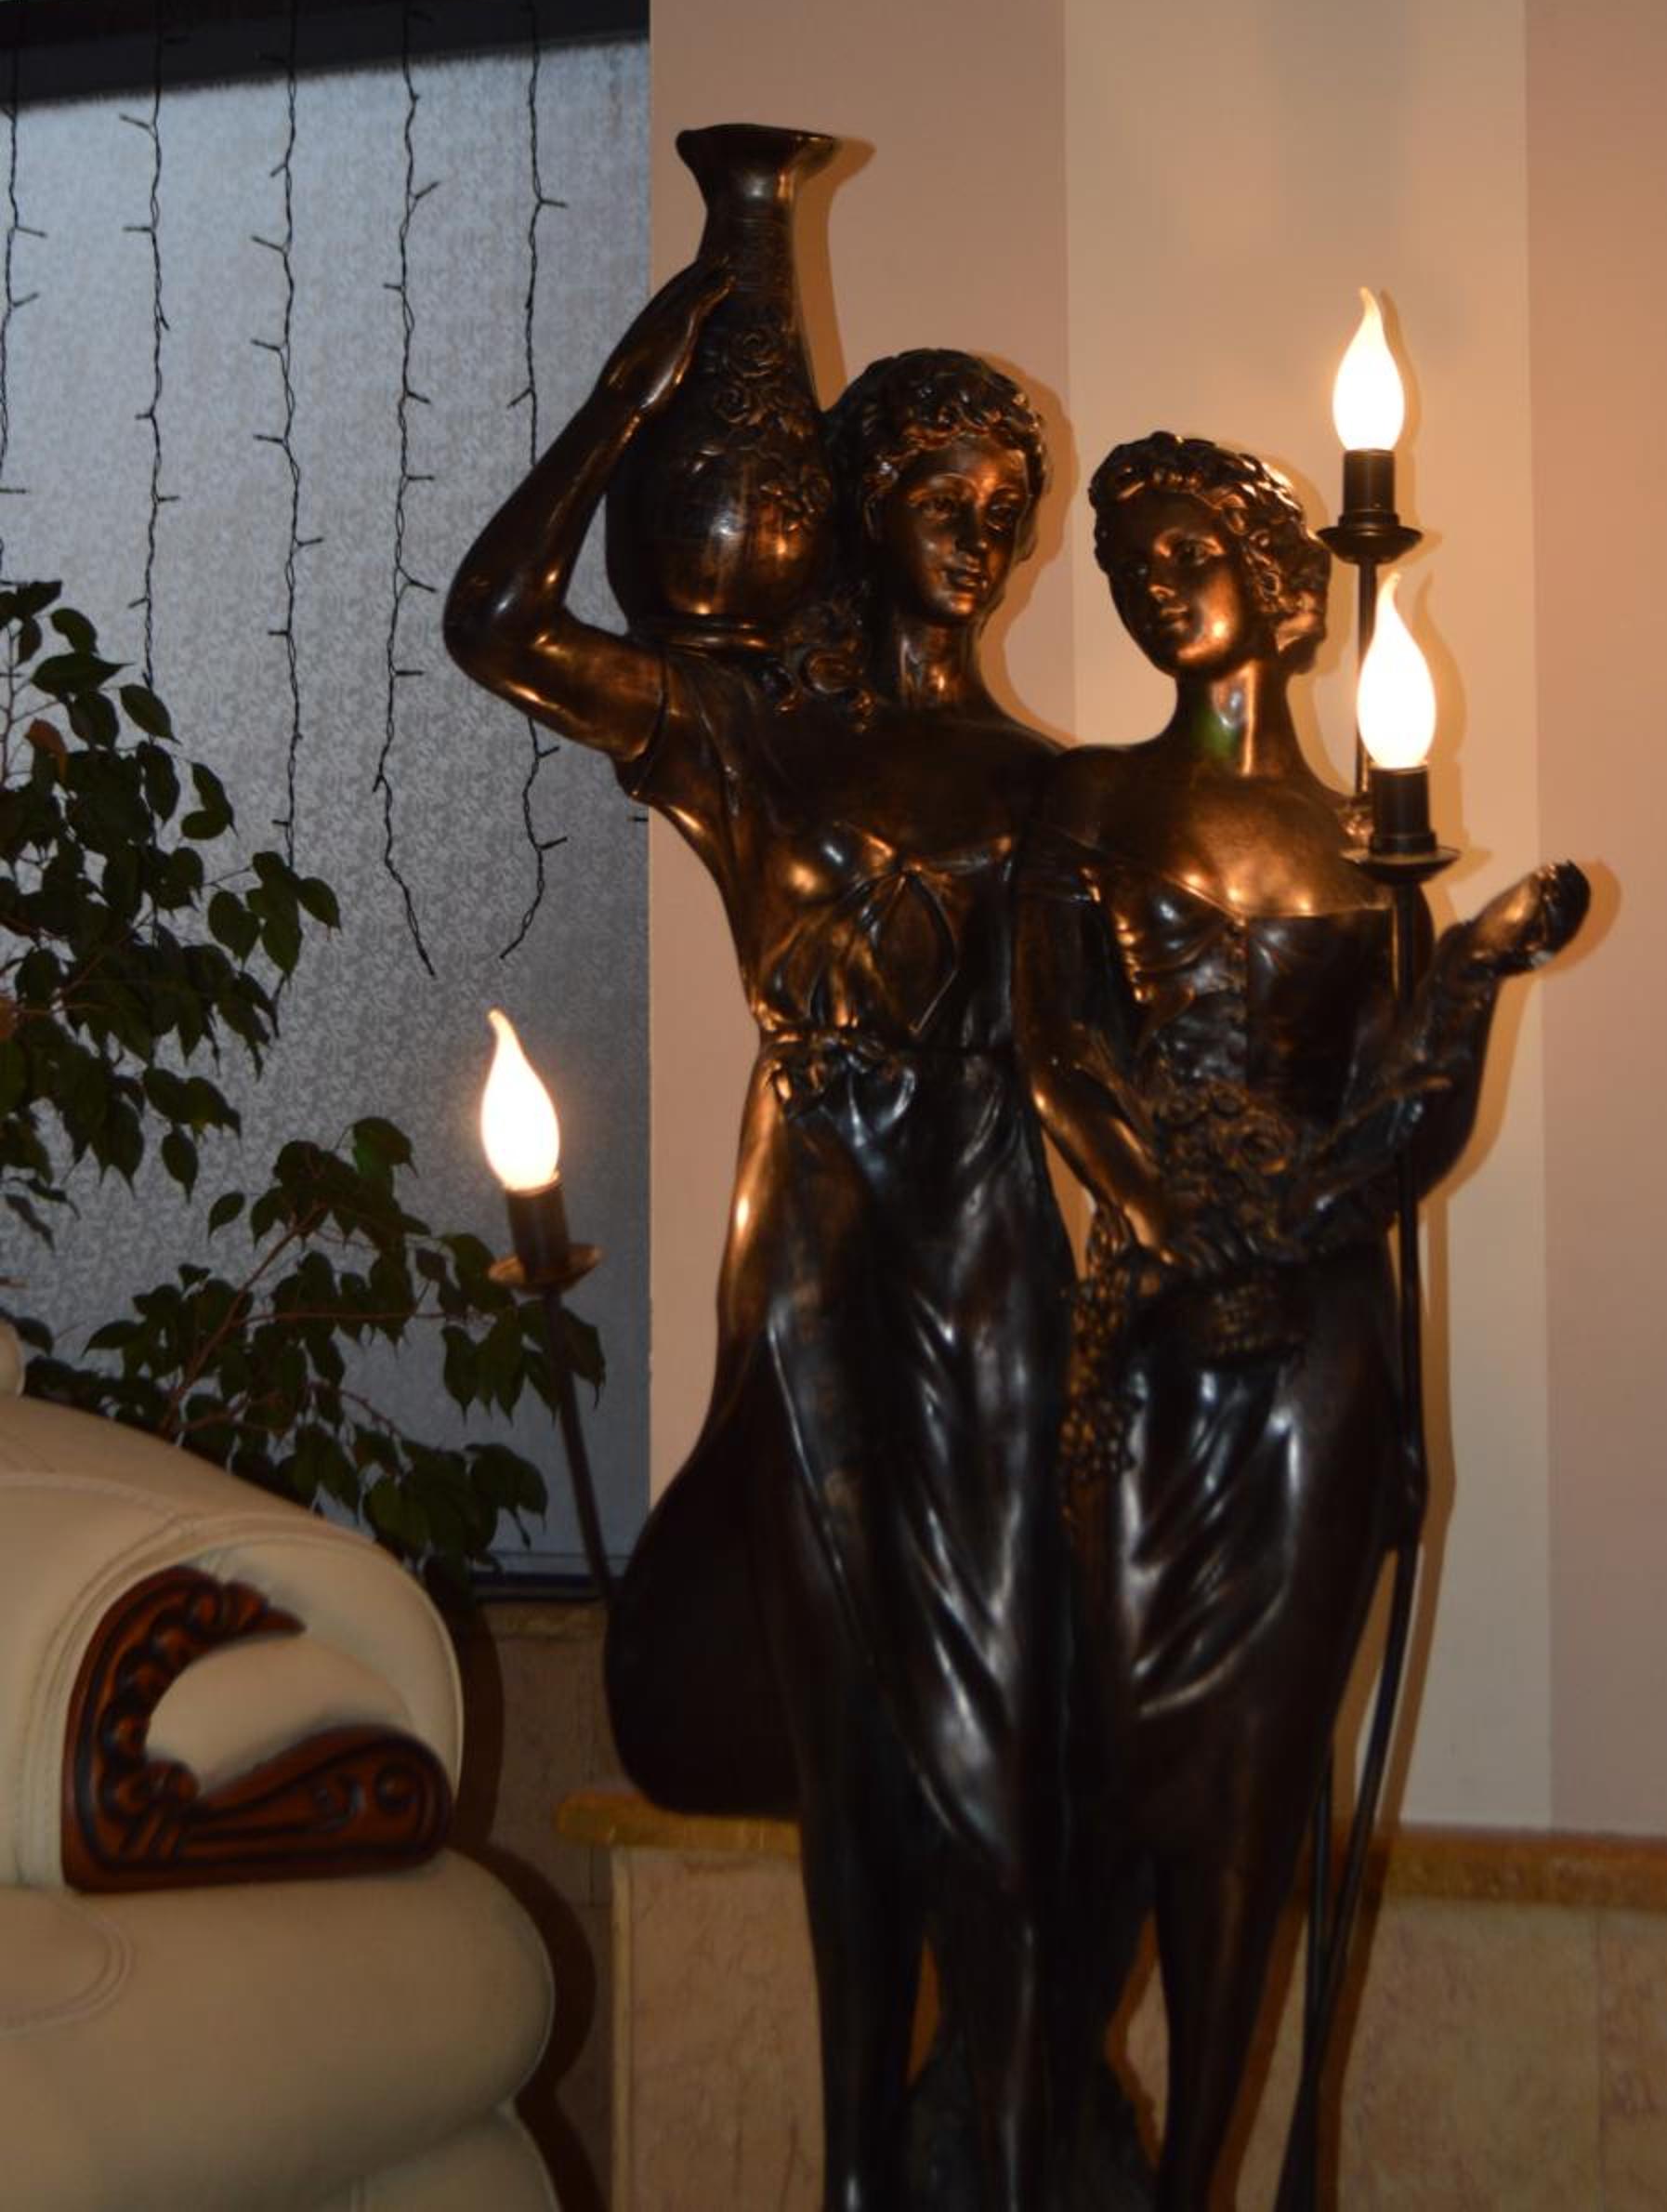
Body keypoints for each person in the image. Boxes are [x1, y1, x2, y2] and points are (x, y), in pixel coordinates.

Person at [446, 283, 1071, 2212]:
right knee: (843, 1731)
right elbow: (497, 626)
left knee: (1001, 1733)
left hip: (995, 1258)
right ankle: (861, 2168)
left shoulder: (1053, 790)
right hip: (805, 1236)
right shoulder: (748, 736)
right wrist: (625, 395)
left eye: (1008, 514)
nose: (981, 543)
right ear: (858, 501)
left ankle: (1007, 2123)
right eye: (947, 499)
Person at [1015, 431, 1585, 2212]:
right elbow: (1058, 1048)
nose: (1150, 585)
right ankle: (1044, 2119)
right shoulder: (1088, 805)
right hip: (1157, 1333)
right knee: (1116, 1753)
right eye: (1125, 566)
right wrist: (1169, 1214)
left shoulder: (1364, 842)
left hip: (1321, 1349)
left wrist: (1473, 972)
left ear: (1275, 583)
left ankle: (1208, 2170)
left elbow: (1396, 1135)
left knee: (1262, 1781)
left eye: (1182, 549)